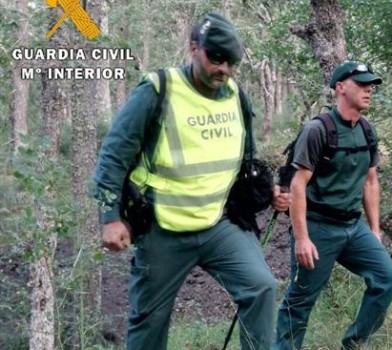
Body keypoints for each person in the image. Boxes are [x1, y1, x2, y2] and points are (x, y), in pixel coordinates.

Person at [92, 12, 289, 350]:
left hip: (218, 223)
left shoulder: (236, 97)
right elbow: (113, 156)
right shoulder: (159, 90)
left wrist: (266, 191)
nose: (223, 69)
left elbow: (247, 161)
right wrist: (110, 217)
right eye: (216, 58)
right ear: (193, 48)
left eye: (231, 62)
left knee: (261, 286)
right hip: (162, 228)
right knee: (148, 321)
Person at [273, 61, 392, 350]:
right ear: (340, 88)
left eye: (371, 85)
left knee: (388, 278)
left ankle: (354, 343)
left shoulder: (367, 131)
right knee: (300, 300)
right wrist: (302, 238)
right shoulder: (318, 131)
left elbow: (370, 182)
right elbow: (297, 184)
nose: (369, 89)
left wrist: (376, 230)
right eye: (362, 84)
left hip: (353, 227)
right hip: (318, 228)